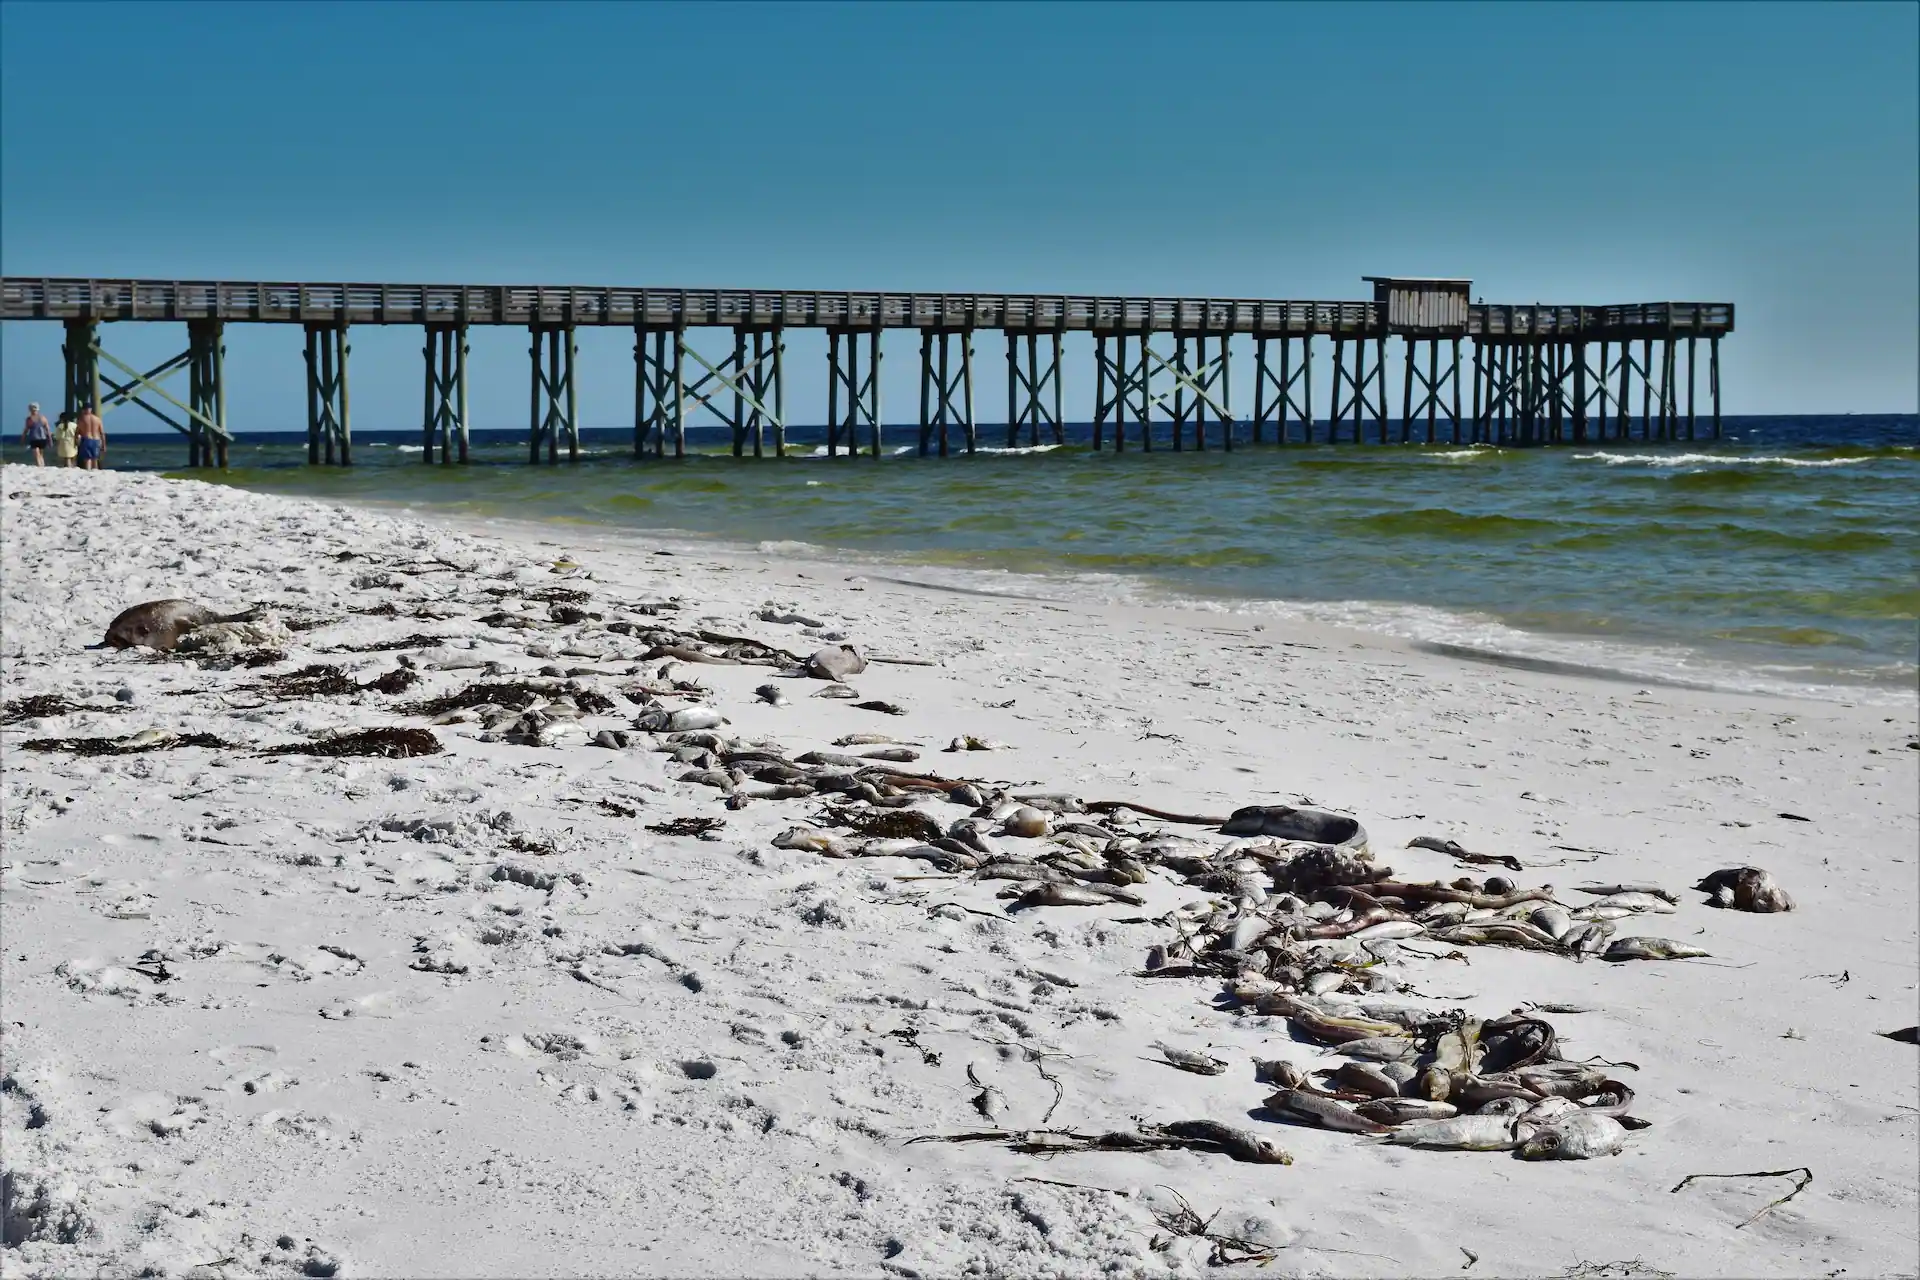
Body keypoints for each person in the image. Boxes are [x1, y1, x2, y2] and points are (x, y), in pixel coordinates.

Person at [75, 402, 105, 470]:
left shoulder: (82, 419)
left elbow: (77, 432)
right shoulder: (97, 419)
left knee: (87, 459)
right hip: (96, 440)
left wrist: (76, 441)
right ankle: (95, 473)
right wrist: (104, 444)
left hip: (87, 439)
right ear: (91, 409)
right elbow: (102, 433)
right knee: (95, 459)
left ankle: (88, 472)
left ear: (83, 410)